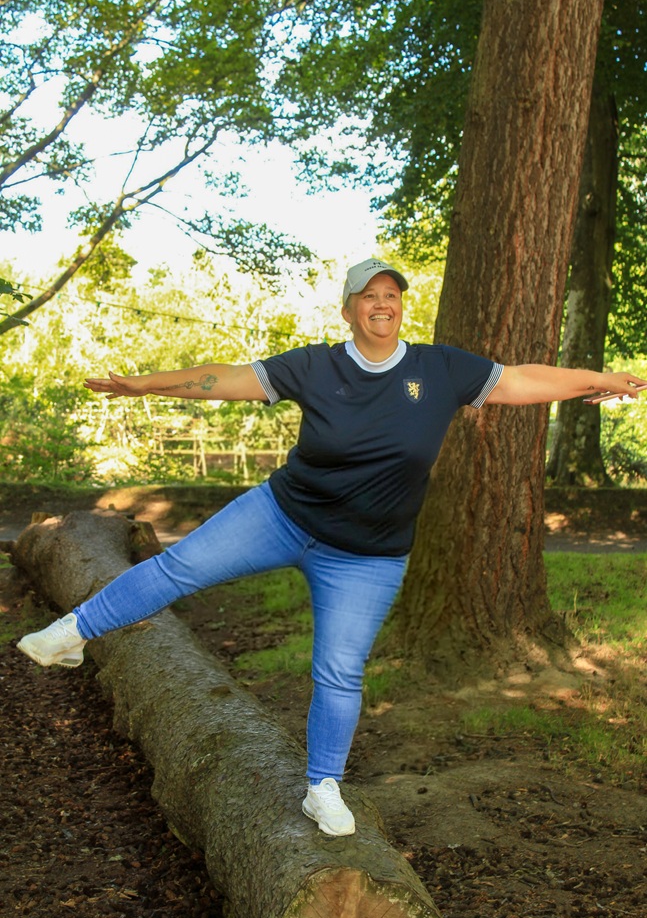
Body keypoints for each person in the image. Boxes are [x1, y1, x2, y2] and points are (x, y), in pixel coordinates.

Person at [17, 257, 647, 837]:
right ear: (348, 310)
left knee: (340, 671)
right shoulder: (316, 365)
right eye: (368, 295)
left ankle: (322, 787)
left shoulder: (440, 368)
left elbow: (522, 380)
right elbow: (224, 380)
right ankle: (72, 631)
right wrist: (145, 386)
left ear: (402, 307)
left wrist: (599, 379)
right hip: (282, 514)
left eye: (392, 295)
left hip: (367, 556)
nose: (382, 303)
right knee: (180, 566)